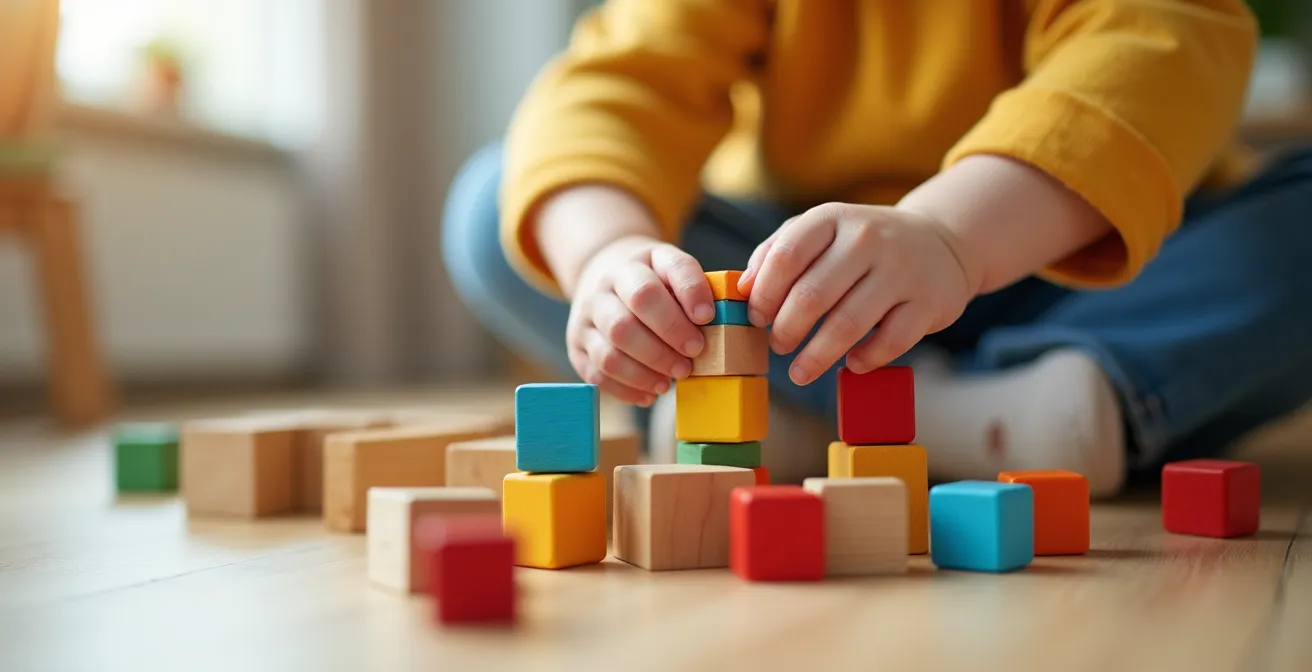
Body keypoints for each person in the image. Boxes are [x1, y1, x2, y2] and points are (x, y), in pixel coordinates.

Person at [442, 0, 1312, 496]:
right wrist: (610, 260)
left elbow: (1160, 48)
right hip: (800, 290)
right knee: (500, 200)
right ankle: (995, 421)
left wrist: (951, 237)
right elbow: (620, 85)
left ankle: (821, 422)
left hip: (1080, 267)